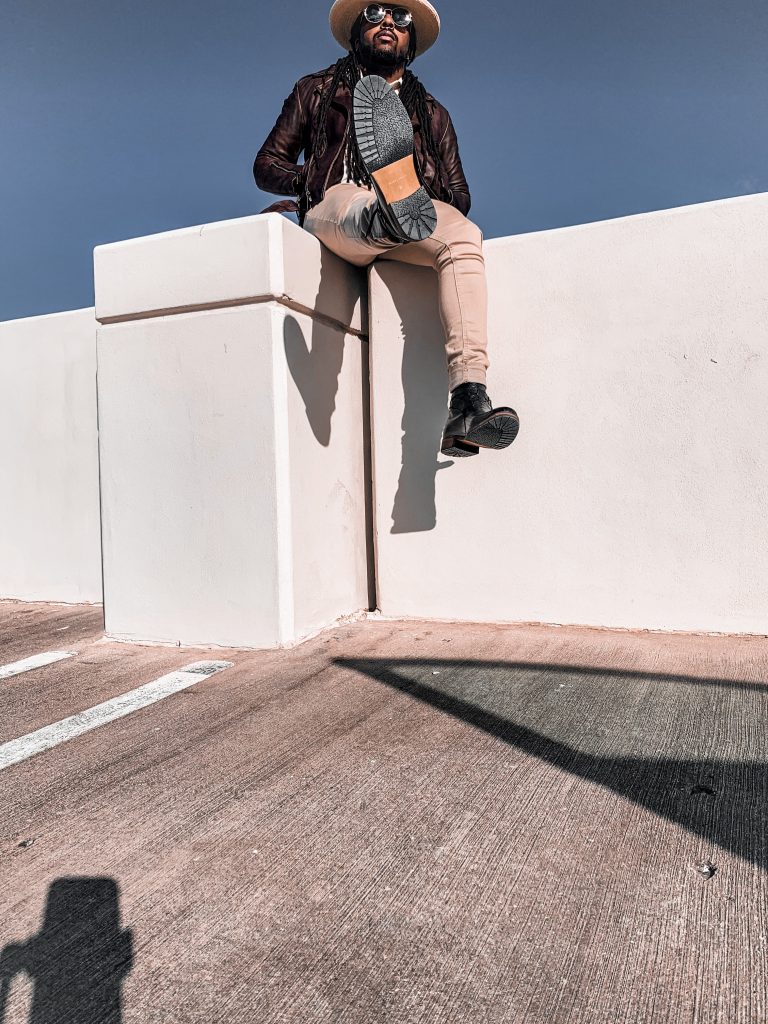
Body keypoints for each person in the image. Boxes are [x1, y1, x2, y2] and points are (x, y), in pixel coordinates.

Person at [254, 1, 519, 457]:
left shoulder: (431, 112)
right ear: (358, 28)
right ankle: (384, 213)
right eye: (375, 13)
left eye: (401, 19)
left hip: (410, 222)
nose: (388, 24)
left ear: (410, 41)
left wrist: (425, 202)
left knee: (464, 238)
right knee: (358, 205)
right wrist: (309, 179)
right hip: (336, 209)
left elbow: (458, 193)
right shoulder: (317, 90)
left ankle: (469, 399)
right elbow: (267, 165)